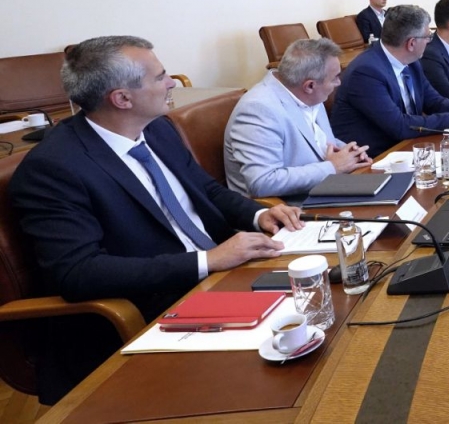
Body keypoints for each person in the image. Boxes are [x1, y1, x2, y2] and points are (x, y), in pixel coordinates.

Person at [11, 36, 303, 402]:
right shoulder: (55, 169)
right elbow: (78, 272)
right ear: (122, 98)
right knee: (281, 379)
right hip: (153, 304)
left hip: (221, 276)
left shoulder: (157, 128)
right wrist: (207, 260)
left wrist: (259, 214)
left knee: (321, 303)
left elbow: (205, 189)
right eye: (161, 76)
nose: (171, 84)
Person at [330, 4, 449, 156]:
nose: (430, 41)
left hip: (405, 148)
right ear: (411, 43)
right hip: (374, 158)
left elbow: (433, 101)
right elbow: (399, 126)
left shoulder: (411, 62)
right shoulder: (366, 72)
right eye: (428, 37)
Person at [224, 38, 370, 199]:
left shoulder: (308, 93)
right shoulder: (258, 110)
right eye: (335, 77)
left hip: (324, 189)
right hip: (288, 206)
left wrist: (349, 153)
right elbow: (263, 182)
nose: (339, 82)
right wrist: (333, 167)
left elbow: (316, 141)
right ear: (310, 86)